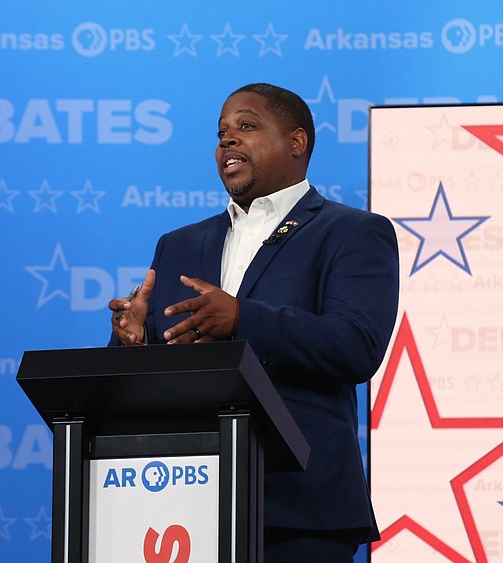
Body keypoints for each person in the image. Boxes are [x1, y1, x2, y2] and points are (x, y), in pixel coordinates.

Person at [109, 83, 399, 562]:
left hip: (298, 505)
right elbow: (150, 376)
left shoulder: (351, 232)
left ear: (296, 142)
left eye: (246, 127)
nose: (228, 141)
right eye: (222, 133)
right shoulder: (177, 244)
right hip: (182, 502)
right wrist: (133, 344)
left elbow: (356, 345)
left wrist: (243, 318)